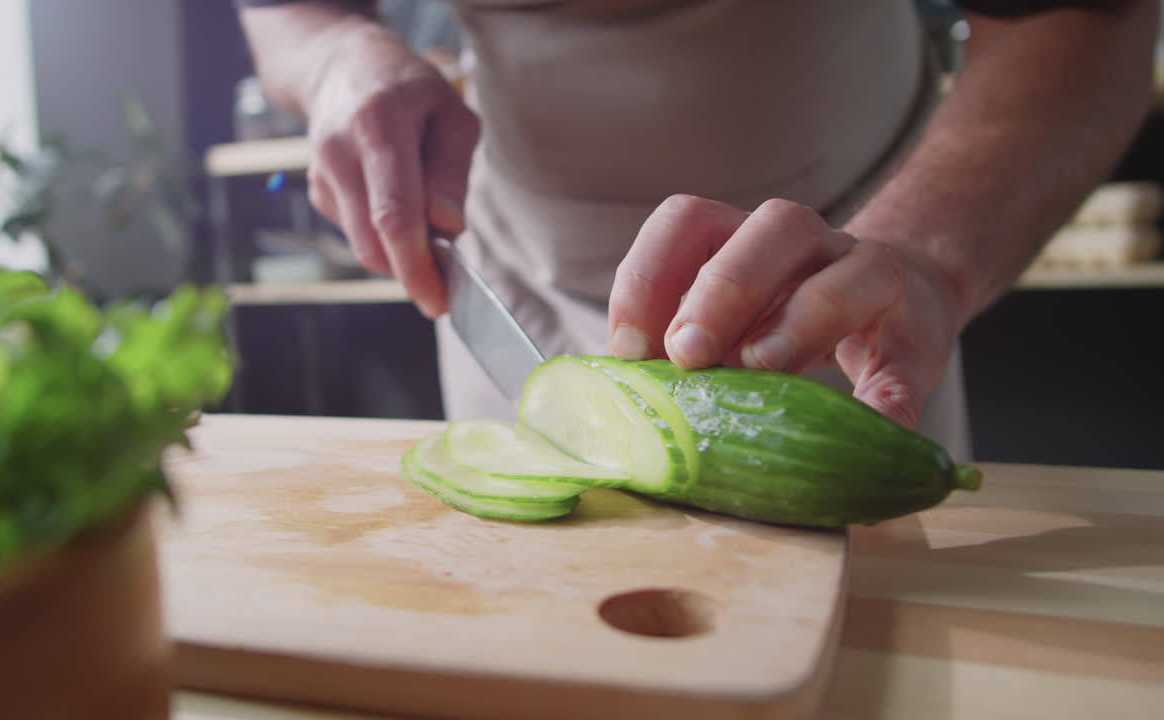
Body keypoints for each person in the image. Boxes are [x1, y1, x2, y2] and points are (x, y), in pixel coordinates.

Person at [233, 0, 1157, 460]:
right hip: (515, 264)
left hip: (850, 269)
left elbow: (1087, 14)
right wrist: (330, 56)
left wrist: (924, 257)